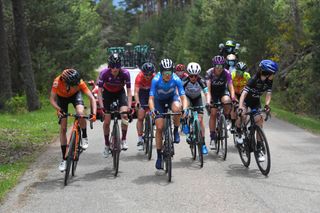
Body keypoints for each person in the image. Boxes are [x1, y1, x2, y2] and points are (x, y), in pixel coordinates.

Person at [50, 69, 97, 172]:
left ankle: (84, 136)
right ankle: (64, 159)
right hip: (61, 99)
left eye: (77, 84)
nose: (76, 86)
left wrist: (94, 114)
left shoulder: (79, 82)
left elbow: (92, 98)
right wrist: (58, 109)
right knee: (63, 128)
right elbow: (52, 100)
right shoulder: (57, 82)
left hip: (75, 96)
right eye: (74, 85)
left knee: (80, 114)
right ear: (66, 82)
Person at [149, 58, 188, 169]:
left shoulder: (176, 79)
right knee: (160, 127)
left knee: (177, 109)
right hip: (158, 101)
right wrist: (152, 110)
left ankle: (175, 130)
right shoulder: (155, 80)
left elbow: (183, 97)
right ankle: (159, 157)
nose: (168, 75)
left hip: (171, 98)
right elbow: (151, 99)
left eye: (169, 72)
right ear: (161, 72)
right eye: (165, 73)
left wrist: (184, 109)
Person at [236, 59, 278, 161]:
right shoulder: (253, 79)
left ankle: (259, 147)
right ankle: (238, 131)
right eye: (271, 73)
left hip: (255, 102)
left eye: (273, 74)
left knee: (259, 120)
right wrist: (241, 106)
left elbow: (268, 94)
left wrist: (267, 105)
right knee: (243, 116)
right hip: (246, 101)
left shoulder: (269, 80)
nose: (272, 75)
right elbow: (243, 94)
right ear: (264, 72)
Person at [98, 53, 132, 157]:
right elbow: (99, 92)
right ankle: (107, 144)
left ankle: (124, 139)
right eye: (112, 66)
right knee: (107, 121)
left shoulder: (125, 73)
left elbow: (129, 92)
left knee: (124, 115)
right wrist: (101, 106)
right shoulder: (104, 73)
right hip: (107, 94)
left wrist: (129, 107)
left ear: (120, 66)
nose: (115, 69)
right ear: (109, 66)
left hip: (120, 93)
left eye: (117, 66)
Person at [205, 55, 236, 149]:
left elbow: (231, 87)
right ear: (214, 66)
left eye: (221, 66)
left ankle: (226, 118)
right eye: (217, 66)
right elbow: (208, 90)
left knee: (227, 101)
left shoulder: (226, 73)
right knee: (213, 113)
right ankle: (212, 137)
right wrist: (208, 101)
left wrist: (233, 97)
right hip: (213, 93)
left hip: (223, 91)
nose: (219, 68)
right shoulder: (209, 73)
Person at [182, 62, 210, 154]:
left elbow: (206, 93)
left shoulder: (201, 81)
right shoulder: (184, 81)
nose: (193, 78)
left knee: (200, 120)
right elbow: (180, 94)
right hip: (188, 98)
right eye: (191, 76)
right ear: (188, 75)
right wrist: (183, 107)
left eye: (195, 76)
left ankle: (203, 144)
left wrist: (208, 102)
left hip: (197, 98)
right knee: (185, 109)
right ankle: (185, 122)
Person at [134, 62, 156, 151]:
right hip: (142, 94)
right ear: (143, 73)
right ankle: (140, 139)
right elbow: (136, 92)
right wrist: (137, 102)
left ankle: (152, 124)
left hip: (151, 93)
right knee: (140, 116)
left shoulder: (155, 77)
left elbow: (157, 91)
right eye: (146, 74)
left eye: (150, 74)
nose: (148, 76)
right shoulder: (139, 77)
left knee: (155, 110)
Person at [230, 62, 251, 131]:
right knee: (234, 105)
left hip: (243, 93)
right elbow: (229, 86)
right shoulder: (232, 75)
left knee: (244, 110)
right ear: (236, 70)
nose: (240, 74)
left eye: (242, 72)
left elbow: (251, 85)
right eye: (238, 72)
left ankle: (243, 124)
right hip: (235, 93)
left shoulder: (247, 76)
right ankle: (233, 124)